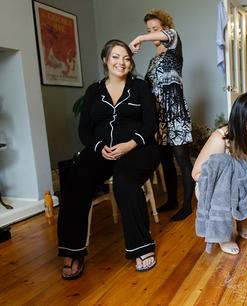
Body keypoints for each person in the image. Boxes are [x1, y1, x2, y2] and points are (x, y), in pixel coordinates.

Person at [57, 39, 161, 279]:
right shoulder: (94, 91)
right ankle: (72, 251)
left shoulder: (140, 87)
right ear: (105, 60)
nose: (121, 62)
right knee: (76, 180)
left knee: (125, 181)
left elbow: (150, 125)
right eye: (115, 57)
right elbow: (84, 130)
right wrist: (99, 147)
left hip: (139, 148)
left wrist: (130, 144)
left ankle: (141, 247)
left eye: (126, 58)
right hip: (101, 151)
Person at [192, 92, 247, 255]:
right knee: (225, 182)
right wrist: (229, 179)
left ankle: (241, 217)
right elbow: (196, 173)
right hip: (219, 190)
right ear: (239, 122)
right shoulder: (222, 138)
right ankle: (223, 235)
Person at [129, 9, 194, 222]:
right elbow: (145, 88)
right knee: (165, 159)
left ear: (164, 28)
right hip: (159, 116)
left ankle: (187, 205)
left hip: (175, 112)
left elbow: (168, 35)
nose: (152, 34)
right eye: (148, 30)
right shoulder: (152, 62)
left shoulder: (173, 45)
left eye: (155, 29)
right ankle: (172, 200)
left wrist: (139, 38)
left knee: (181, 158)